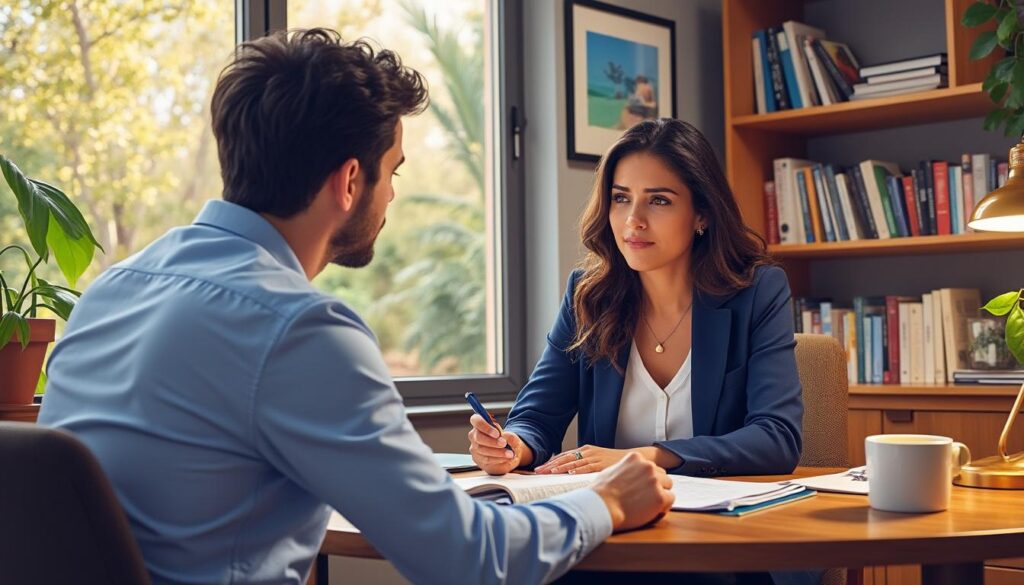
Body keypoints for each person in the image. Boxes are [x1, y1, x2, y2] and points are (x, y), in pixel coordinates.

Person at [37, 28, 675, 585]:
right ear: (349, 182)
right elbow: (470, 560)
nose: (392, 195)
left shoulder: (111, 291)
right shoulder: (297, 328)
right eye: (392, 171)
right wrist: (608, 503)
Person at [467, 119, 818, 585]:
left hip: (724, 539)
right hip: (617, 535)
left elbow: (776, 439)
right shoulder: (587, 295)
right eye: (620, 197)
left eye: (659, 200)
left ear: (702, 214)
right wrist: (514, 445)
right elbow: (538, 414)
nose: (633, 220)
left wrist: (648, 458)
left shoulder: (757, 292)